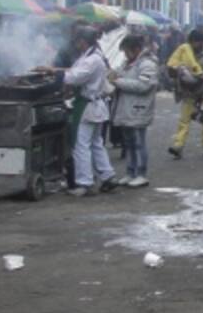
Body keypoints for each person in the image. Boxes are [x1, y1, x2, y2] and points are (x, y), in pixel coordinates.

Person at [43, 27, 117, 197]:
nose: (76, 44)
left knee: (80, 145)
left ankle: (85, 183)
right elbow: (75, 71)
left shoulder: (92, 59)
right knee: (96, 143)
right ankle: (107, 176)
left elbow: (74, 77)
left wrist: (54, 73)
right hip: (95, 105)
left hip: (87, 106)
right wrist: (53, 70)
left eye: (78, 41)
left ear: (83, 41)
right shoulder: (93, 56)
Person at [109, 33, 159, 187]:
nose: (125, 54)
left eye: (126, 51)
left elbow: (142, 86)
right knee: (129, 142)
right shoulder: (128, 63)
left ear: (136, 49)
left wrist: (117, 81)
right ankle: (130, 172)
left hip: (138, 109)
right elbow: (119, 74)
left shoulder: (147, 64)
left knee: (138, 142)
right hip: (127, 108)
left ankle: (141, 174)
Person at [165, 28, 203, 160]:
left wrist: (201, 90)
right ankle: (178, 146)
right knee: (184, 121)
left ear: (202, 42)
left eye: (197, 42)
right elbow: (175, 67)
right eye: (193, 42)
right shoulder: (184, 51)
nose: (195, 45)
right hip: (188, 92)